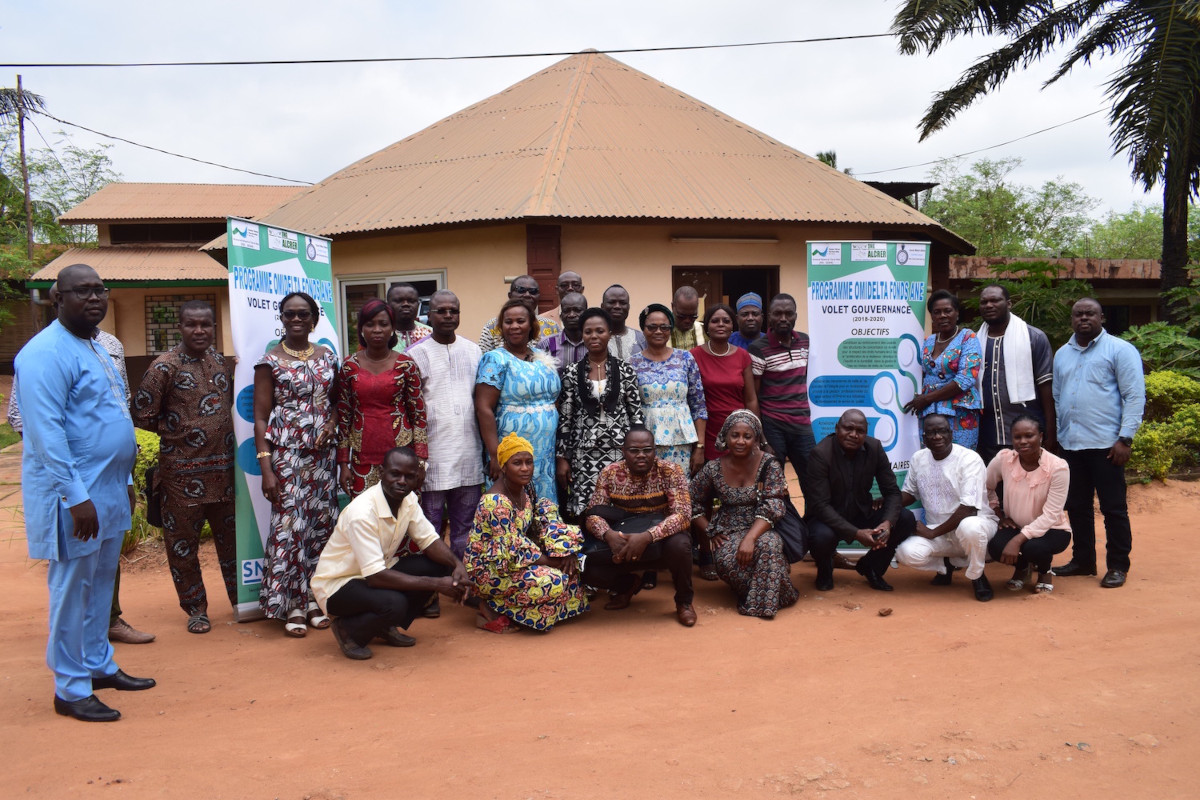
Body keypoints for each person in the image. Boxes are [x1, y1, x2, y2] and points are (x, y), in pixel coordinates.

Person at [16, 264, 153, 722]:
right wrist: (77, 498)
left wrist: (128, 482)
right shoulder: (44, 354)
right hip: (74, 496)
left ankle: (97, 664)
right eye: (82, 291)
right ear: (58, 298)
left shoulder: (98, 346)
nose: (94, 298)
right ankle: (70, 689)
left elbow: (111, 416)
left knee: (99, 585)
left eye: (100, 290)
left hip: (111, 488)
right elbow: (44, 433)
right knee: (73, 587)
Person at [132, 300, 237, 634]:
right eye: (192, 324)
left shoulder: (220, 362)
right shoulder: (164, 367)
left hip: (224, 473)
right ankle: (196, 608)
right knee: (183, 546)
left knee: (232, 541)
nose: (199, 331)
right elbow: (141, 414)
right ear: (180, 326)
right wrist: (178, 432)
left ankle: (242, 601)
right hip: (180, 475)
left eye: (206, 325)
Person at [311, 447, 470, 660]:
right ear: (381, 472)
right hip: (338, 585)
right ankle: (347, 629)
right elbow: (376, 577)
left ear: (417, 477)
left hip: (372, 573)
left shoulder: (408, 500)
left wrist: (456, 564)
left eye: (409, 476)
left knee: (438, 565)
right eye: (396, 474)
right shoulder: (362, 513)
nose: (402, 481)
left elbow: (429, 540)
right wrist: (437, 585)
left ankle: (382, 626)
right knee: (395, 603)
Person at [253, 291, 340, 636]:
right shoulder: (269, 361)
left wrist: (331, 425)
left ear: (314, 318)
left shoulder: (327, 357)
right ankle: (292, 605)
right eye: (289, 314)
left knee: (321, 527)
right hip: (288, 456)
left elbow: (336, 403)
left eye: (303, 314)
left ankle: (317, 600)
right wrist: (266, 468)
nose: (296, 319)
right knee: (290, 530)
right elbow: (260, 418)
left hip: (324, 456)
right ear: (282, 318)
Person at [1052, 298, 1145, 588]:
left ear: (1101, 317)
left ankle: (1118, 565)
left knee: (1113, 508)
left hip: (1107, 446)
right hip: (1071, 446)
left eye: (1090, 313)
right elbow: (1057, 398)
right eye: (1078, 314)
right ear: (1072, 319)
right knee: (1077, 507)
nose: (1083, 318)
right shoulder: (1062, 354)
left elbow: (1134, 396)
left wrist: (1125, 439)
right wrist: (1057, 438)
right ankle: (1083, 561)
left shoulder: (1120, 350)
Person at [465, 433, 590, 633]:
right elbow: (512, 548)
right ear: (504, 466)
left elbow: (542, 523)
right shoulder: (494, 502)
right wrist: (551, 562)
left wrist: (563, 553)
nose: (525, 468)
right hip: (492, 570)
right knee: (554, 581)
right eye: (517, 463)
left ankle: (524, 611)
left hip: (517, 562)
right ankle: (489, 605)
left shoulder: (526, 489)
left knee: (574, 568)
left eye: (528, 462)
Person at [583, 425, 697, 627]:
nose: (641, 455)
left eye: (647, 450)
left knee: (681, 545)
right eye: (634, 450)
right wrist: (609, 535)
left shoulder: (670, 471)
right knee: (586, 566)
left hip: (660, 542)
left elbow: (683, 515)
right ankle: (626, 585)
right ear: (623, 451)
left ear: (655, 450)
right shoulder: (610, 473)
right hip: (623, 543)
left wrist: (647, 537)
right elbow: (593, 514)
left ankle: (684, 602)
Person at [690, 411, 799, 619]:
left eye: (747, 436)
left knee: (770, 546)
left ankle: (760, 607)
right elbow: (690, 501)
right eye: (735, 435)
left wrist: (750, 538)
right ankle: (781, 592)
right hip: (727, 530)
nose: (740, 441)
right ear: (725, 437)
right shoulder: (713, 468)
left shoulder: (769, 464)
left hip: (762, 526)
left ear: (756, 439)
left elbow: (774, 505)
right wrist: (710, 530)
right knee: (730, 565)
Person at [407, 290, 486, 559]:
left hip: (468, 454)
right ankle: (431, 590)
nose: (448, 315)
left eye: (454, 310)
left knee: (467, 527)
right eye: (441, 310)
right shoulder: (416, 354)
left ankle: (465, 585)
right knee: (429, 527)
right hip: (432, 457)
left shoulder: (474, 351)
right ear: (428, 316)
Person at [805, 409, 917, 592]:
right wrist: (856, 533)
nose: (853, 435)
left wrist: (887, 523)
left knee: (905, 519)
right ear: (837, 428)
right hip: (828, 517)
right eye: (848, 428)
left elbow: (892, 492)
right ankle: (825, 570)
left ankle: (871, 567)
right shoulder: (821, 454)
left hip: (861, 512)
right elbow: (820, 506)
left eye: (860, 431)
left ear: (866, 433)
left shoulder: (874, 448)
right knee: (820, 536)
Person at [894, 414, 999, 602]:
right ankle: (946, 564)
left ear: (951, 433)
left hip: (978, 527)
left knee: (970, 527)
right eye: (931, 433)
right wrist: (886, 502)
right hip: (941, 530)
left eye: (942, 431)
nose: (937, 436)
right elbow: (910, 493)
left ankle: (977, 574)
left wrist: (932, 534)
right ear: (923, 437)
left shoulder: (969, 459)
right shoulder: (919, 458)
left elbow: (968, 509)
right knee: (906, 553)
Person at [556, 307, 644, 519]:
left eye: (600, 331)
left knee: (620, 503)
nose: (594, 336)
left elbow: (636, 415)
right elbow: (566, 418)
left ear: (609, 333)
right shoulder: (571, 372)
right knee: (587, 507)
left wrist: (639, 451)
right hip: (583, 453)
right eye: (588, 332)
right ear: (582, 335)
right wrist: (562, 458)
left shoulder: (626, 370)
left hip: (620, 451)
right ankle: (589, 551)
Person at [335, 299, 428, 498]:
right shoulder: (349, 366)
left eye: (383, 324)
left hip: (401, 458)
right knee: (364, 519)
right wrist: (343, 464)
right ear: (361, 329)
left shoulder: (406, 365)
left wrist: (420, 462)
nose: (377, 330)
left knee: (402, 519)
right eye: (370, 324)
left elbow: (418, 416)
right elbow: (344, 417)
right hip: (362, 458)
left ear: (392, 328)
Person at [475, 298, 562, 501]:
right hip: (511, 452)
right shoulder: (495, 359)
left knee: (543, 504)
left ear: (531, 325)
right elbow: (483, 408)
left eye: (520, 321)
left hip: (544, 451)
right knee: (512, 504)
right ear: (501, 327)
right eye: (508, 322)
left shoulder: (542, 356)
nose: (514, 326)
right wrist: (496, 455)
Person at [986, 415, 1072, 594]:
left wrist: (1017, 540)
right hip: (1016, 525)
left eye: (1029, 436)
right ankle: (1023, 568)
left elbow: (1050, 515)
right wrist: (998, 514)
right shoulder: (1004, 459)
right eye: (1017, 437)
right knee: (995, 547)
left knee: (1033, 547)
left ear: (1040, 436)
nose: (1023, 441)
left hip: (1052, 529)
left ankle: (1044, 571)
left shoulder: (1058, 467)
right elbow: (984, 487)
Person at [976, 284, 1056, 463]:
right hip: (988, 435)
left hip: (1027, 437)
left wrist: (1051, 432)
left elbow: (1046, 387)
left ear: (1009, 303)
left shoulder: (1033, 337)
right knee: (994, 489)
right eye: (984, 302)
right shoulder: (974, 342)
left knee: (1030, 488)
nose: (989, 305)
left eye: (995, 300)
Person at [749, 293, 814, 502]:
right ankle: (783, 529)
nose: (783, 318)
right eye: (778, 313)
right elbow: (754, 395)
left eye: (788, 313)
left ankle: (812, 527)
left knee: (812, 479)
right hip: (773, 424)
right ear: (770, 317)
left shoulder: (805, 341)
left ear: (795, 315)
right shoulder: (758, 348)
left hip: (802, 424)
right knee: (774, 482)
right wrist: (762, 436)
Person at [631, 303, 707, 475]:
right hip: (645, 443)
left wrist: (700, 446)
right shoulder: (632, 363)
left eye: (664, 327)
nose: (658, 331)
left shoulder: (686, 358)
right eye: (652, 327)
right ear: (643, 329)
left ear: (671, 329)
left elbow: (699, 405)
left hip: (681, 440)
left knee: (678, 490)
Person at [904, 289, 983, 449]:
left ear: (957, 313)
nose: (942, 315)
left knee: (961, 461)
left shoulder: (968, 337)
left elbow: (966, 379)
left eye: (948, 311)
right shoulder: (928, 341)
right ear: (932, 317)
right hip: (929, 413)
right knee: (932, 459)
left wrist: (926, 398)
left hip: (960, 413)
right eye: (937, 312)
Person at [691, 303, 759, 461]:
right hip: (706, 431)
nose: (721, 324)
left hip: (738, 432)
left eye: (726, 321)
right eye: (715, 321)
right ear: (707, 326)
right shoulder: (694, 356)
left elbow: (751, 399)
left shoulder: (743, 356)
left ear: (732, 326)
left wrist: (756, 434)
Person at [478, 276, 560, 353]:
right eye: (521, 290)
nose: (527, 295)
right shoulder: (492, 325)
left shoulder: (551, 326)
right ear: (510, 295)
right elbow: (483, 357)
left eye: (533, 291)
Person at [538, 291, 588, 372]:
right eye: (566, 311)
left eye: (577, 310)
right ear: (561, 316)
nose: (571, 315)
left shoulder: (595, 343)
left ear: (586, 314)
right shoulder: (545, 344)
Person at [386, 282, 432, 354]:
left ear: (418, 304)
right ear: (388, 305)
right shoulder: (382, 335)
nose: (405, 304)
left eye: (411, 301)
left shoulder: (430, 334)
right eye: (399, 301)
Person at [601, 284, 645, 359]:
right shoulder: (594, 339)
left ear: (628, 307)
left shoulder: (642, 338)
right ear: (602, 306)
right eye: (612, 302)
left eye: (623, 303)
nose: (617, 306)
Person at [669, 285, 705, 349]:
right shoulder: (660, 332)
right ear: (672, 306)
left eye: (693, 316)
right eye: (681, 316)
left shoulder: (706, 331)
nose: (687, 320)